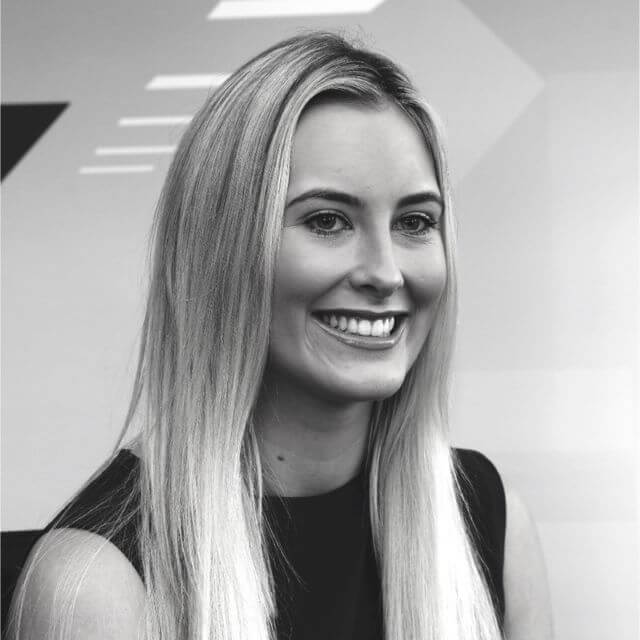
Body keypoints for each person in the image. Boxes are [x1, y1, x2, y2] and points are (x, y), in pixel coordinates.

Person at [7, 31, 553, 640]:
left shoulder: (491, 523)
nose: (385, 272)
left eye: (415, 222)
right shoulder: (94, 586)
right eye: (328, 220)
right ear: (220, 250)